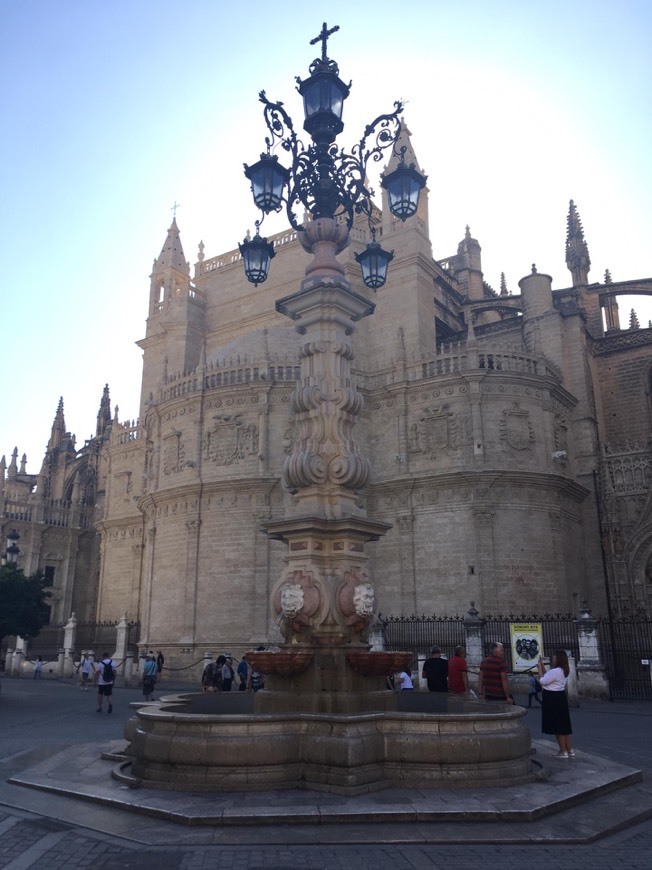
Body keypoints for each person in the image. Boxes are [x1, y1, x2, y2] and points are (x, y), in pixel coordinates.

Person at [538, 650, 574, 758]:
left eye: (554, 658)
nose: (553, 660)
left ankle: (563, 751)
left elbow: (543, 681)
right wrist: (544, 668)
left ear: (558, 659)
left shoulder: (556, 671)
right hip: (560, 697)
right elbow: (549, 676)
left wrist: (539, 670)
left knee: (557, 726)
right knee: (564, 726)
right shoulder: (563, 670)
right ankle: (569, 749)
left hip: (552, 698)